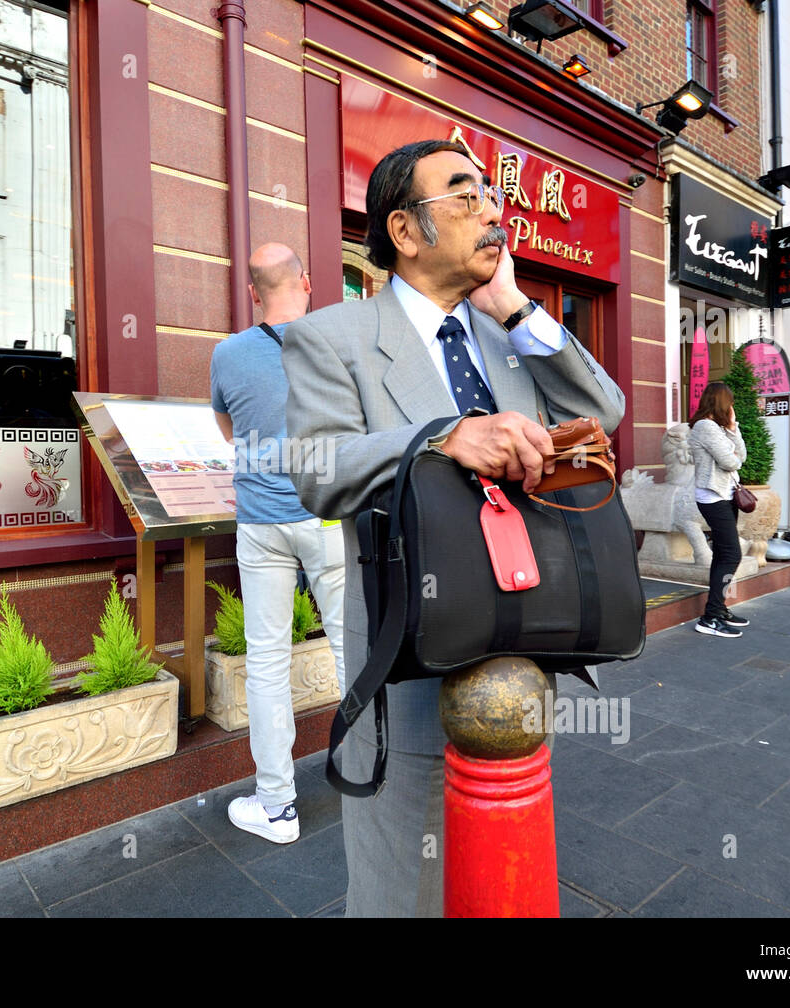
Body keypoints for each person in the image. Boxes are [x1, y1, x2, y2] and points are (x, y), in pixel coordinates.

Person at [282, 139, 625, 916]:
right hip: (409, 646)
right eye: (464, 195)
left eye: (491, 197)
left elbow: (602, 412)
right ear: (405, 231)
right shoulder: (333, 337)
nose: (490, 210)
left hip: (522, 627)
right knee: (403, 870)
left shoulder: (510, 334)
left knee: (498, 851)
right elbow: (313, 468)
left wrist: (512, 305)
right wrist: (440, 435)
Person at [210, 242, 347, 844]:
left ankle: (277, 805)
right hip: (330, 515)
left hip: (261, 521)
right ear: (309, 282)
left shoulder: (227, 353)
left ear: (252, 293)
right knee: (354, 647)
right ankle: (379, 778)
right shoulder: (339, 339)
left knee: (267, 663)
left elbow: (228, 428)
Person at [687, 381, 749, 638]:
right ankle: (710, 617)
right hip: (713, 498)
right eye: (730, 402)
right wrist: (732, 453)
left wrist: (733, 429)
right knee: (732, 555)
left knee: (723, 555)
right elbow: (729, 461)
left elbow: (741, 456)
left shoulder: (720, 428)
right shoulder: (705, 427)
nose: (732, 407)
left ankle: (718, 608)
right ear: (722, 402)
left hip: (725, 496)